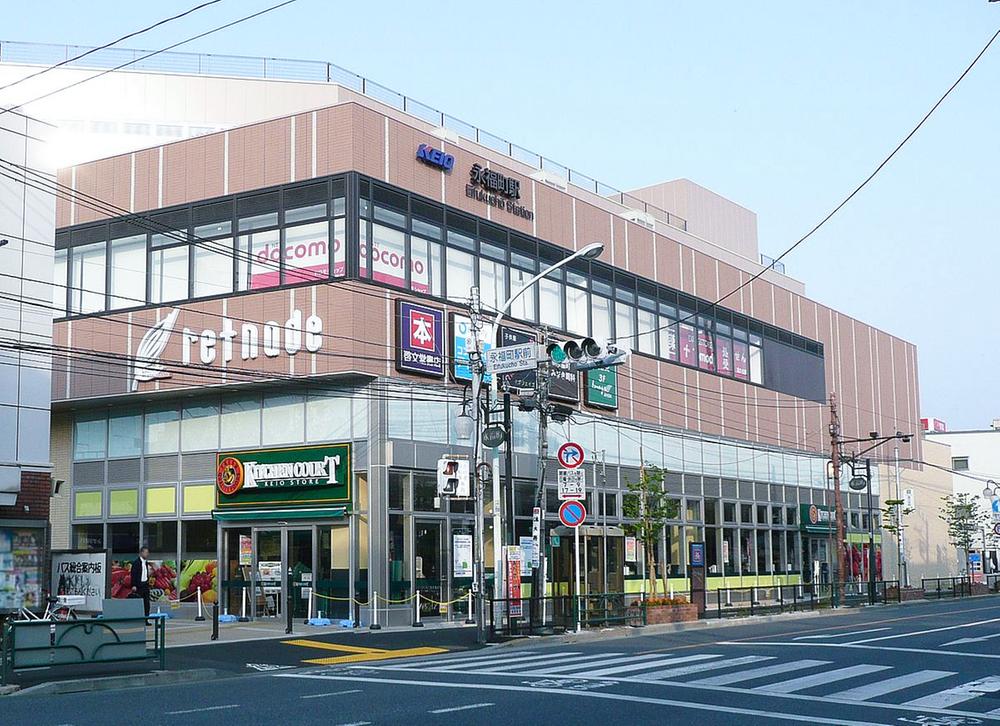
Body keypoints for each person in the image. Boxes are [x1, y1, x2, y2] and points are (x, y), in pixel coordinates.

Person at [130, 546, 152, 617]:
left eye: (147, 553)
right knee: (139, 602)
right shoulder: (136, 563)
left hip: (145, 584)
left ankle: (146, 618)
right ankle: (138, 617)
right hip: (139, 585)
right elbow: (133, 574)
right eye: (146, 552)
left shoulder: (146, 563)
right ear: (141, 553)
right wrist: (134, 585)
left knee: (147, 603)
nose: (147, 554)